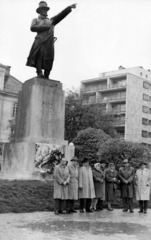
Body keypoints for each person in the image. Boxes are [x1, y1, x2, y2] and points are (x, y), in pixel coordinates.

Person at [26, 1, 77, 78]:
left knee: (50, 57)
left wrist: (69, 7)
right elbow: (32, 28)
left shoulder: (51, 21)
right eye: (43, 9)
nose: (45, 11)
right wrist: (43, 28)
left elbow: (60, 15)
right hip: (40, 40)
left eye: (46, 9)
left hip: (49, 42)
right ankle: (39, 72)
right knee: (39, 56)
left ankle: (47, 75)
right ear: (39, 10)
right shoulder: (35, 19)